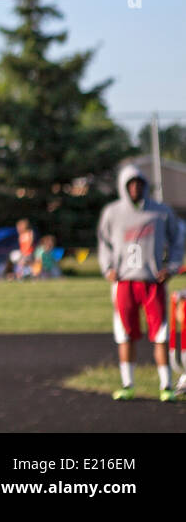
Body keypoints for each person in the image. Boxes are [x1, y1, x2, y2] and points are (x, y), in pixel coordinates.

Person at [98, 163, 184, 401]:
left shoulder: (160, 212)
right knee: (125, 334)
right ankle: (128, 384)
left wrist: (172, 267)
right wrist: (108, 268)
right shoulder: (113, 213)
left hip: (152, 282)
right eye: (130, 183)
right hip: (124, 282)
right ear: (124, 186)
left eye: (139, 183)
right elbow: (103, 243)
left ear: (145, 185)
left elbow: (178, 240)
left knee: (160, 334)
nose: (135, 187)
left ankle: (166, 386)